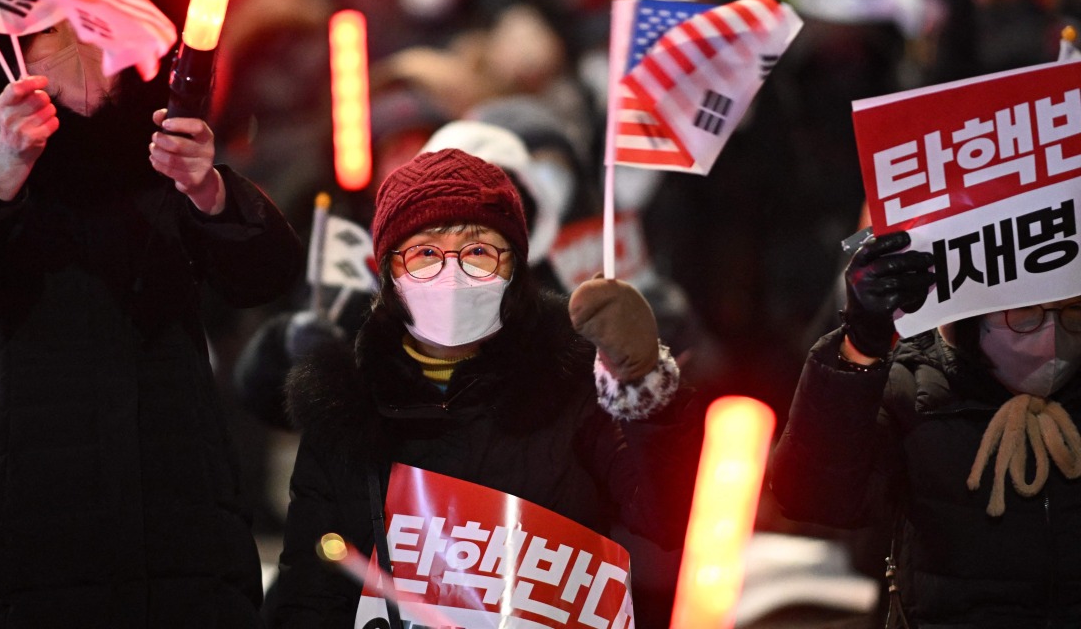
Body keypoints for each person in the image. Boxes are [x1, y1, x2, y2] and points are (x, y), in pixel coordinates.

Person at [0, 0, 302, 627]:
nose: (76, 46)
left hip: (177, 535)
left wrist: (211, 191)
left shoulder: (163, 170)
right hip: (12, 543)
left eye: (94, 26)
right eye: (48, 29)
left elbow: (265, 275)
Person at [268, 148, 699, 626]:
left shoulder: (573, 380)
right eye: (425, 252)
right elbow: (309, 593)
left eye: (477, 251)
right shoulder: (345, 407)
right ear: (389, 271)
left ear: (514, 265)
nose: (452, 274)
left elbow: (667, 518)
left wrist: (645, 389)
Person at [771, 230, 1081, 626]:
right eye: (1026, 314)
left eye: (1073, 312)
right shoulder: (914, 384)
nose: (1052, 335)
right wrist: (859, 348)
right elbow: (814, 497)